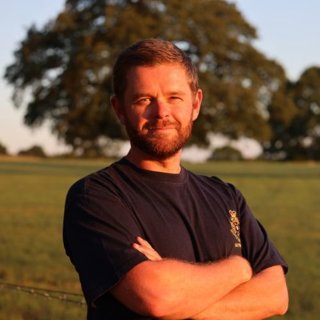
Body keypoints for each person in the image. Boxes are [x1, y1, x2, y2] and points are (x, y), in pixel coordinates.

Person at [63, 38, 289, 320]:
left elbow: (276, 296)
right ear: (119, 109)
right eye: (144, 99)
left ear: (195, 104)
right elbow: (158, 297)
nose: (162, 112)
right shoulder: (95, 196)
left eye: (174, 97)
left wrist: (183, 298)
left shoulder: (226, 196)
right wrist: (239, 269)